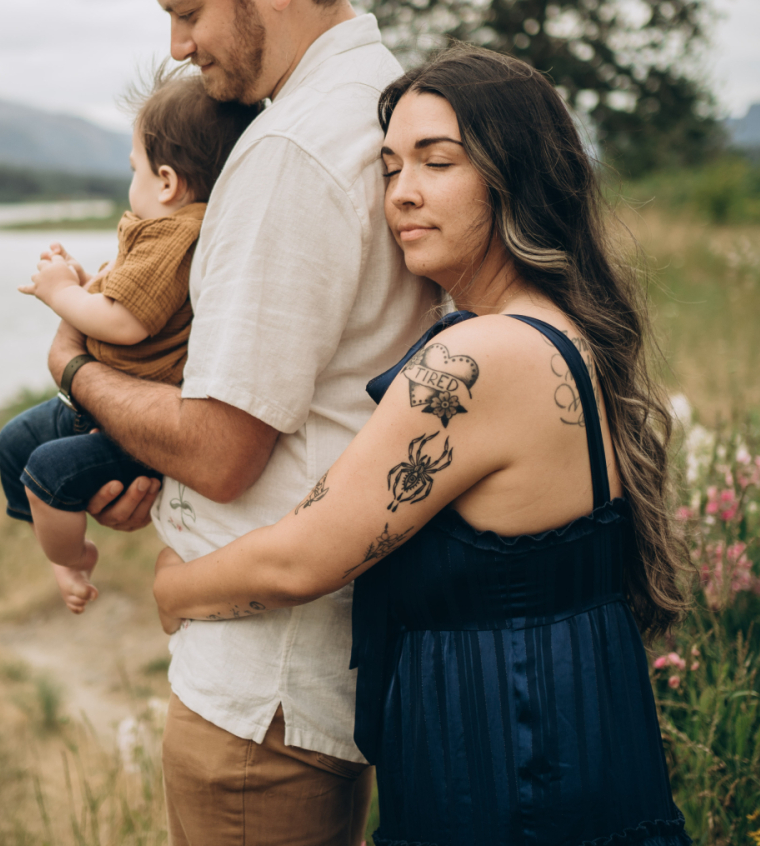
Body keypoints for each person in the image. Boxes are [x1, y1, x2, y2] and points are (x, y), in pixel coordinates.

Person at [152, 45, 694, 846]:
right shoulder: (558, 331)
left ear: (517, 176)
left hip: (508, 769)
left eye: (437, 162)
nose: (401, 193)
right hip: (562, 752)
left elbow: (304, 558)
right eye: (388, 167)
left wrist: (175, 588)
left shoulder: (477, 358)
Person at [44, 0, 437, 845]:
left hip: (257, 698)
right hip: (317, 657)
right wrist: (153, 471)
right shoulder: (385, 101)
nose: (177, 46)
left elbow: (224, 446)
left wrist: (79, 371)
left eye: (187, 9)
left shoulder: (289, 150)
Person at [0, 69, 256, 612]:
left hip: (129, 421)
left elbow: (124, 323)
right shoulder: (164, 233)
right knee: (13, 442)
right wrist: (86, 280)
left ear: (166, 181)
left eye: (133, 168)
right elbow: (129, 300)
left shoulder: (178, 232)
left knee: (45, 473)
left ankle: (71, 559)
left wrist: (60, 294)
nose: (130, 183)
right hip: (101, 400)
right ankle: (59, 543)